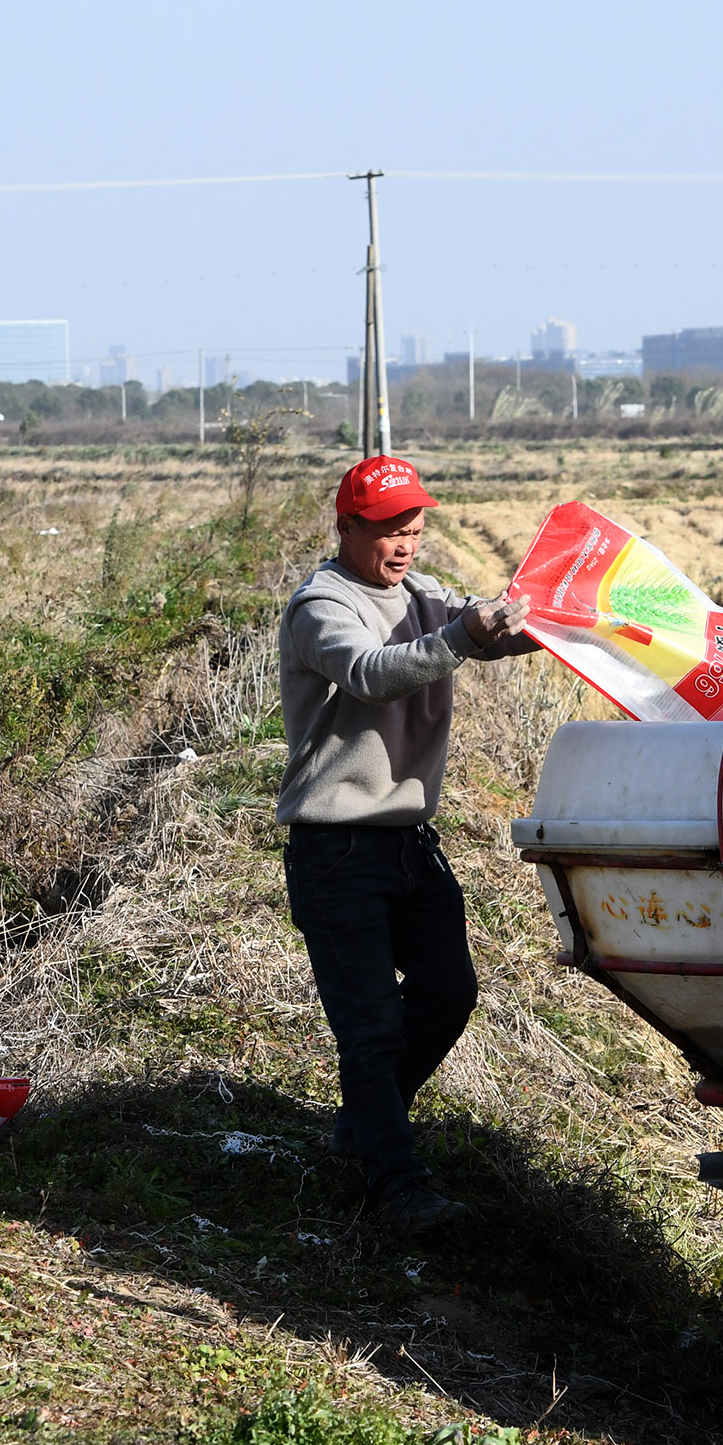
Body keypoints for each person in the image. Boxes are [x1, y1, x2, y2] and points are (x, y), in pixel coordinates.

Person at [274, 454, 537, 1235]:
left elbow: (482, 634)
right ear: (347, 527)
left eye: (414, 529)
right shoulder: (321, 605)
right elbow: (373, 672)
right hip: (336, 848)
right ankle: (396, 1185)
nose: (404, 545)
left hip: (408, 842)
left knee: (449, 991)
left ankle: (363, 1126)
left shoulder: (422, 594)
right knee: (369, 1023)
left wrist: (546, 628)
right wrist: (461, 634)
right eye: (388, 530)